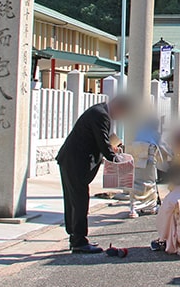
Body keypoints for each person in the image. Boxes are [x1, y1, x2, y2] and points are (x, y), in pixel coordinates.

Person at [56, 96, 132, 253]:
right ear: (118, 107)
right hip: (76, 162)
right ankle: (79, 241)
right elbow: (103, 142)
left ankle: (75, 237)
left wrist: (113, 150)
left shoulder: (99, 111)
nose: (120, 118)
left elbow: (102, 139)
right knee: (79, 201)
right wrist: (117, 160)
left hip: (71, 160)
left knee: (73, 200)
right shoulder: (101, 115)